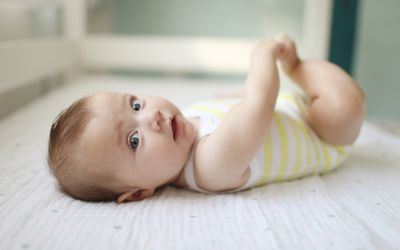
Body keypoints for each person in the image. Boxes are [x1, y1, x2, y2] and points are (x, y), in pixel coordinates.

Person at [47, 34, 366, 203]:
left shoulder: (181, 125)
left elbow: (226, 106)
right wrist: (263, 57)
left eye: (135, 105)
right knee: (346, 105)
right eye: (133, 140)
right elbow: (258, 103)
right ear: (139, 192)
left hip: (289, 107)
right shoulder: (209, 165)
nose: (151, 117)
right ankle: (296, 66)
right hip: (321, 133)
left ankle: (300, 71)